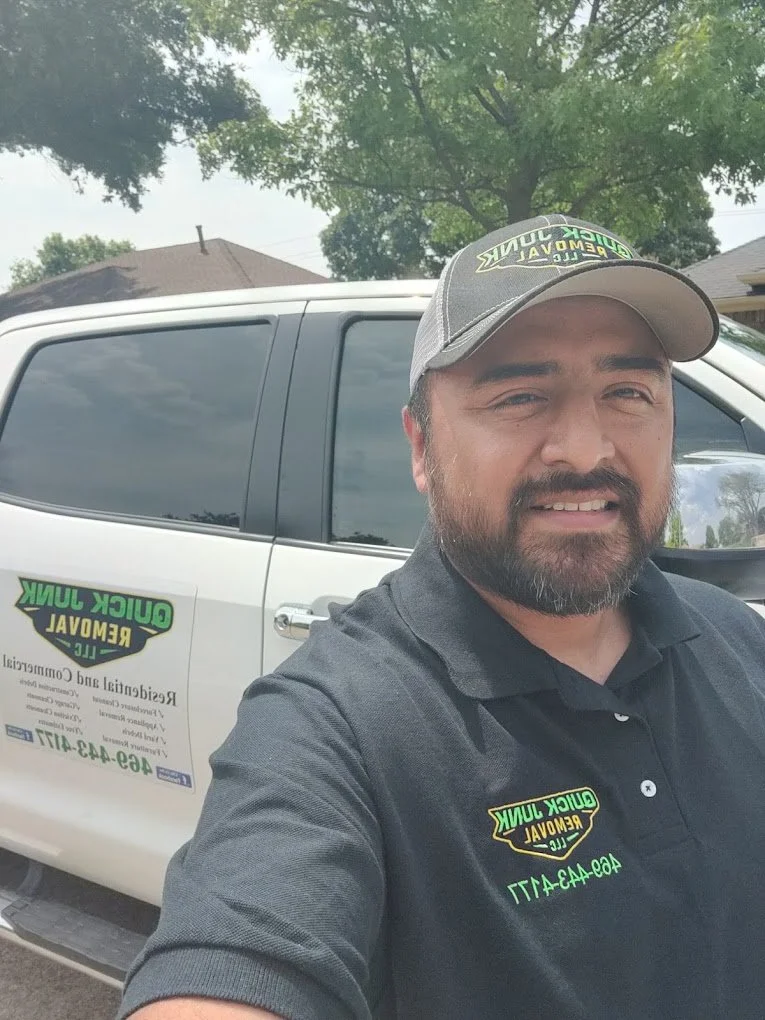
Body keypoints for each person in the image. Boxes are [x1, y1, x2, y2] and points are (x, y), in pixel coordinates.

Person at [120, 214, 765, 1020]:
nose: (583, 447)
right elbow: (236, 958)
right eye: (521, 395)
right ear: (421, 448)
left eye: (627, 392)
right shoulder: (335, 725)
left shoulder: (735, 638)